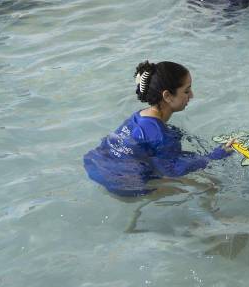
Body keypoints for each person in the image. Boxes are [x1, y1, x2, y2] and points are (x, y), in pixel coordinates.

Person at [83, 61, 234, 196]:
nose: (192, 95)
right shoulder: (161, 136)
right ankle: (207, 222)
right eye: (187, 91)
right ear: (167, 96)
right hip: (124, 185)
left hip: (98, 166)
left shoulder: (139, 116)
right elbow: (174, 171)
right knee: (210, 185)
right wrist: (215, 155)